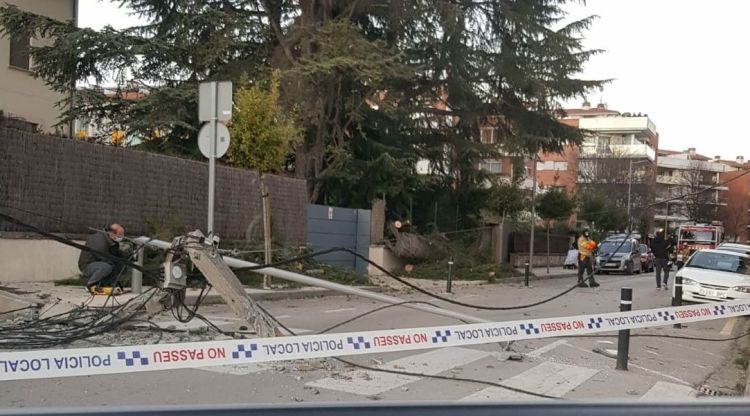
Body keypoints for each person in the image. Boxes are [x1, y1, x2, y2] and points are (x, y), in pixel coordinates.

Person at [78, 224, 127, 295]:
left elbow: (116, 255)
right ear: (112, 233)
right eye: (120, 235)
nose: (121, 238)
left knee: (116, 265)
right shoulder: (99, 241)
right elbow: (107, 259)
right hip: (88, 265)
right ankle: (91, 285)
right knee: (107, 267)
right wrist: (115, 281)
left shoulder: (111, 240)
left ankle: (105, 284)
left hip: (101, 263)